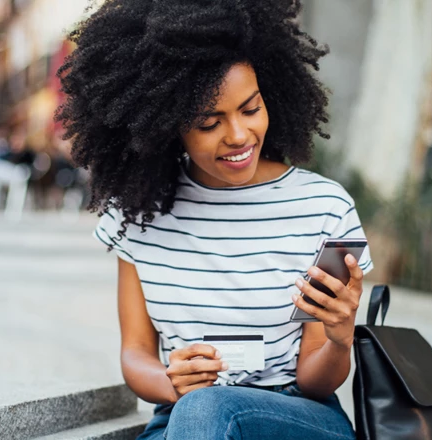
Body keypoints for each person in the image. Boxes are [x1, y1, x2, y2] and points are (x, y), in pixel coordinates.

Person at [56, 1, 373, 438]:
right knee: (201, 412)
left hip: (296, 415)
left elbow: (314, 380)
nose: (239, 136)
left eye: (250, 109)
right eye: (209, 123)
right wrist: (171, 382)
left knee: (207, 410)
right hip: (183, 417)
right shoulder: (138, 214)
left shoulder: (325, 208)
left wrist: (340, 338)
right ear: (168, 125)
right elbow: (136, 354)